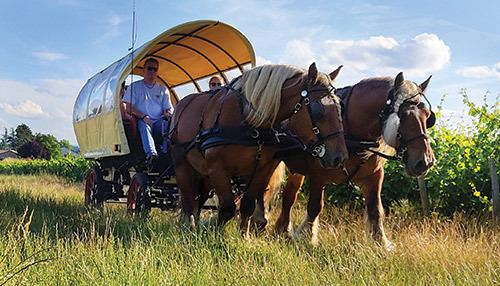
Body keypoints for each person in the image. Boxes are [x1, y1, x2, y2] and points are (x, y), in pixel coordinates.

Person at [122, 58, 172, 167]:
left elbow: (166, 109)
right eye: (150, 68)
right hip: (141, 118)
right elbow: (128, 107)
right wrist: (143, 116)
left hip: (158, 121)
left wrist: (167, 114)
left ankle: (167, 154)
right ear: (144, 70)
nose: (152, 72)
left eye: (155, 69)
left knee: (169, 126)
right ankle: (152, 156)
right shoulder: (135, 87)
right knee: (145, 126)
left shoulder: (163, 89)